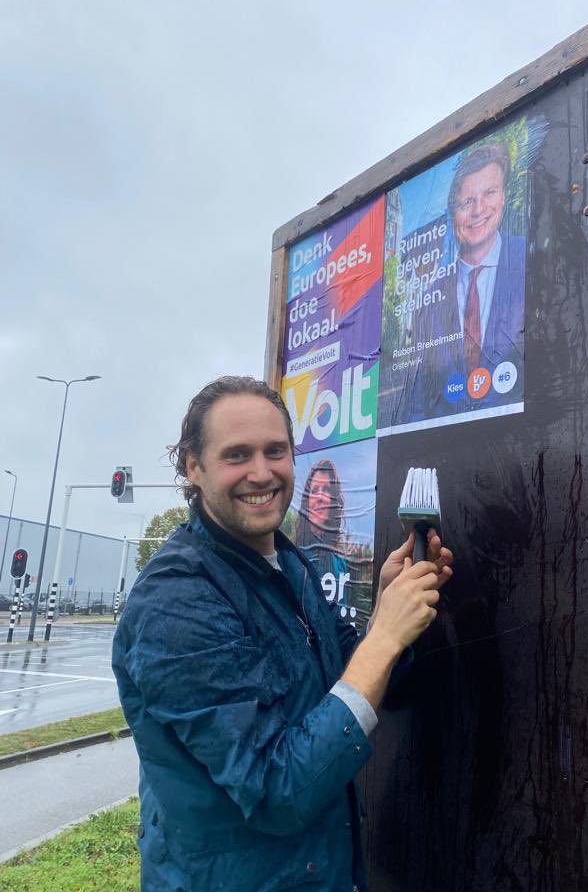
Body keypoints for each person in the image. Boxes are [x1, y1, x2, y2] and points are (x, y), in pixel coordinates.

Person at [112, 376, 453, 892]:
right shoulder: (175, 602)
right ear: (193, 467)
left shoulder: (290, 562)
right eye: (237, 455)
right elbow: (277, 789)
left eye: (276, 451)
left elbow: (347, 680)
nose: (261, 472)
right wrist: (383, 635)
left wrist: (391, 611)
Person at [406, 142, 525, 422]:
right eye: (466, 202)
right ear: (452, 212)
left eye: (490, 193)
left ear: (504, 197)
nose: (478, 210)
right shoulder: (430, 300)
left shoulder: (531, 259)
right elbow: (420, 401)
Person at [295, 458, 351, 607]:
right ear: (307, 501)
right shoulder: (291, 558)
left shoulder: (341, 565)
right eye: (314, 491)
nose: (320, 497)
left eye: (326, 489)